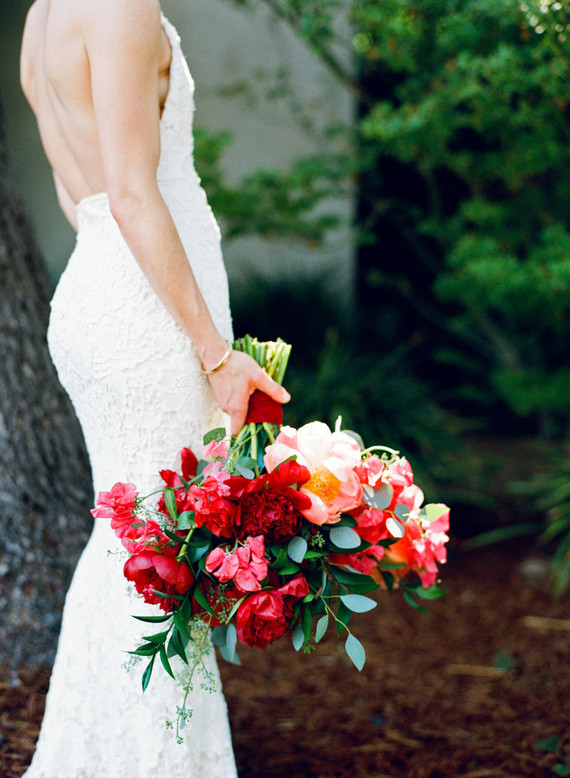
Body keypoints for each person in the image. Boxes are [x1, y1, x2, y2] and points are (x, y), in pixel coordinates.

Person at [20, 0, 290, 774]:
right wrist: (216, 354)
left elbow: (80, 193)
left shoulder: (43, 15)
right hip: (151, 318)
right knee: (163, 557)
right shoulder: (121, 6)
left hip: (101, 287)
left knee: (130, 543)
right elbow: (134, 193)